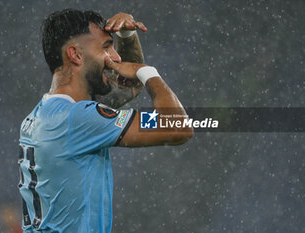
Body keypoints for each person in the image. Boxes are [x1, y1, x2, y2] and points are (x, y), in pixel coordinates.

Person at [18, 9, 193, 233]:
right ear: (76, 55)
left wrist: (126, 37)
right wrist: (148, 72)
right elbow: (178, 126)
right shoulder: (78, 118)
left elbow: (128, 88)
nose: (116, 58)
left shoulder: (44, 114)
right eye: (105, 47)